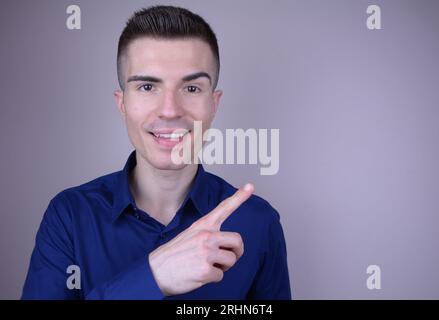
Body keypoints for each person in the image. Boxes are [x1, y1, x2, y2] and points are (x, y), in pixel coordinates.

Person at [22, 5, 291, 300]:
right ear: (122, 103)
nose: (170, 110)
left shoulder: (259, 222)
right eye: (148, 86)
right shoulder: (69, 216)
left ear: (214, 104)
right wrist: (154, 276)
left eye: (191, 88)